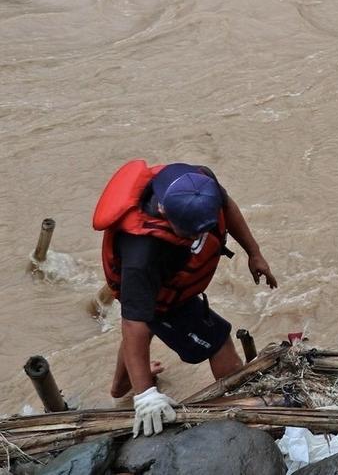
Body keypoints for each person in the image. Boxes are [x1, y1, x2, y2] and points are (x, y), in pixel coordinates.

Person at [93, 161, 278, 437]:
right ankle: (241, 404)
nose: (198, 237)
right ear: (163, 211)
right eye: (190, 233)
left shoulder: (200, 183)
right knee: (218, 340)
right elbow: (134, 324)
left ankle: (120, 388)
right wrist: (146, 395)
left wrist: (254, 253)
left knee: (144, 329)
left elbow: (228, 207)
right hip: (160, 295)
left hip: (168, 284)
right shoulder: (143, 255)